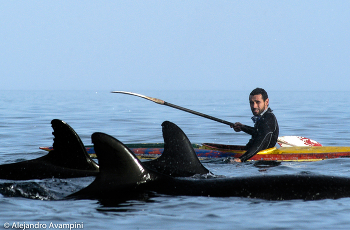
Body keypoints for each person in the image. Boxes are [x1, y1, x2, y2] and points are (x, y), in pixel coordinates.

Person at [231, 88, 279, 162]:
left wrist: (240, 159)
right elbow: (258, 133)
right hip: (255, 156)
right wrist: (242, 127)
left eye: (257, 102)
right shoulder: (263, 117)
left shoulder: (269, 119)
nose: (254, 106)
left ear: (266, 102)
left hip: (264, 164)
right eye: (251, 103)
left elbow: (260, 144)